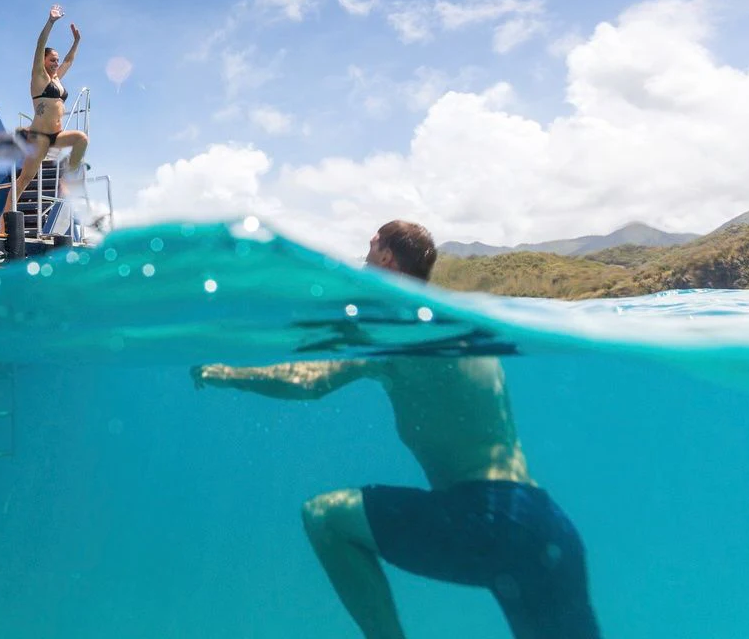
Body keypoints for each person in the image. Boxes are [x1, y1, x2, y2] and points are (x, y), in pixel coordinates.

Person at [192, 220, 601, 639]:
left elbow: (309, 380)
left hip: (489, 519)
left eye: (370, 247)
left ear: (387, 257)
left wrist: (228, 373)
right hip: (547, 530)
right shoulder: (455, 323)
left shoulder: (395, 327)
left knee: (325, 517)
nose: (364, 257)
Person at [6, 4, 88, 213]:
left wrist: (77, 41)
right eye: (52, 60)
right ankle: (5, 217)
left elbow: (69, 60)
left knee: (81, 139)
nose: (56, 63)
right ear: (43, 60)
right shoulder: (39, 76)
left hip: (57, 134)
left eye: (56, 61)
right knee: (25, 178)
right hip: (40, 137)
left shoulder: (57, 78)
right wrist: (50, 22)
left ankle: (68, 178)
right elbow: (39, 44)